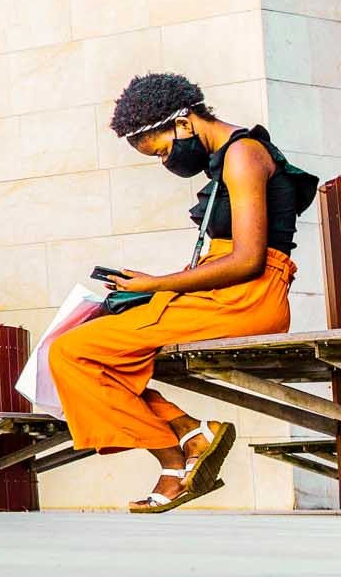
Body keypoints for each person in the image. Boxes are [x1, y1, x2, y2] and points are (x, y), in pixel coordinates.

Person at [47, 73, 314, 513]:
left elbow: (247, 260)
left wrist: (155, 284)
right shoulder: (229, 158)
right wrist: (150, 287)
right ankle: (190, 435)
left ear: (184, 121)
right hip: (224, 293)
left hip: (248, 298)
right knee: (83, 351)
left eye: (164, 149)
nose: (168, 161)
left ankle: (177, 452)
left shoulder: (244, 155)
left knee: (74, 351)